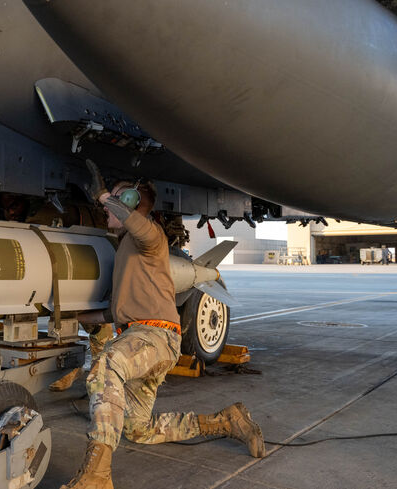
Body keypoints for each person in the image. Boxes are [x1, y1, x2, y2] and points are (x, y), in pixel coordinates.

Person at [62, 161, 265, 489]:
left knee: (106, 366)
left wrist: (102, 195)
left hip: (154, 336)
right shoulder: (127, 252)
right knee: (137, 430)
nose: (107, 210)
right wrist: (69, 318)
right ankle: (226, 421)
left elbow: (140, 226)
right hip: (146, 340)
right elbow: (112, 314)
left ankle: (96, 477)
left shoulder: (149, 237)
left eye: (117, 200)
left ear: (129, 204)